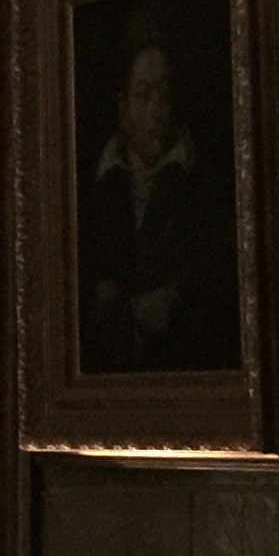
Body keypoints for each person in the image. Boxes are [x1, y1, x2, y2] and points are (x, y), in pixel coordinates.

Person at [78, 25, 236, 375]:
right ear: (123, 109)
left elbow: (211, 298)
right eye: (143, 95)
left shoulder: (204, 188)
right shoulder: (96, 191)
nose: (156, 110)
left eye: (164, 95)